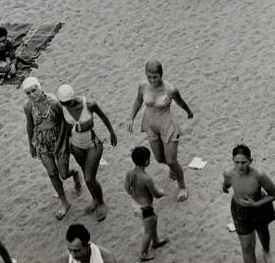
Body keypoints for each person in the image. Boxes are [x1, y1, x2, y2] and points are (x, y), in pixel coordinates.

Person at [128, 60, 193, 202]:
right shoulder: (143, 86)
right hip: (150, 124)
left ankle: (182, 186)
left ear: (161, 74)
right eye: (149, 76)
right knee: (159, 158)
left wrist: (188, 111)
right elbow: (138, 101)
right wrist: (132, 118)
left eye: (155, 77)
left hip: (167, 125)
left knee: (171, 160)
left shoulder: (170, 89)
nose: (152, 80)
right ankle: (172, 169)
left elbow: (180, 101)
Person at [22, 77, 82, 219]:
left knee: (63, 174)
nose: (32, 95)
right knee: (52, 173)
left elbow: (64, 122)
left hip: (58, 139)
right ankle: (64, 202)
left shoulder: (53, 102)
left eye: (33, 90)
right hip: (42, 141)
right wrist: (31, 144)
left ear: (39, 88)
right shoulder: (28, 107)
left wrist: (61, 142)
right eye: (28, 93)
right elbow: (30, 125)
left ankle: (74, 173)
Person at [56, 84, 118, 220]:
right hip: (76, 145)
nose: (67, 105)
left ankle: (101, 202)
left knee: (90, 177)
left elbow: (103, 117)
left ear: (73, 97)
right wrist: (64, 145)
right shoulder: (64, 108)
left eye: (69, 102)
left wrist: (112, 133)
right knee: (86, 175)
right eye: (64, 103)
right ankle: (94, 200)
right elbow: (66, 127)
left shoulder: (89, 104)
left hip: (92, 143)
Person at [222, 144, 275, 263]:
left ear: (250, 161)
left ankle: (266, 251)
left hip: (259, 208)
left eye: (244, 162)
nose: (240, 166)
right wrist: (224, 187)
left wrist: (256, 204)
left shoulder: (259, 175)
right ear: (232, 161)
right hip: (239, 210)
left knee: (263, 231)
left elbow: (273, 195)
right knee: (247, 246)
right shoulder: (228, 173)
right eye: (236, 162)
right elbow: (226, 183)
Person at [125, 145, 169, 262]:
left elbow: (126, 188)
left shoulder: (130, 173)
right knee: (148, 230)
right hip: (146, 208)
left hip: (136, 203)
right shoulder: (146, 178)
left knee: (153, 221)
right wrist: (163, 193)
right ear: (147, 161)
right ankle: (143, 254)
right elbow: (156, 194)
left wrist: (135, 194)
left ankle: (156, 241)